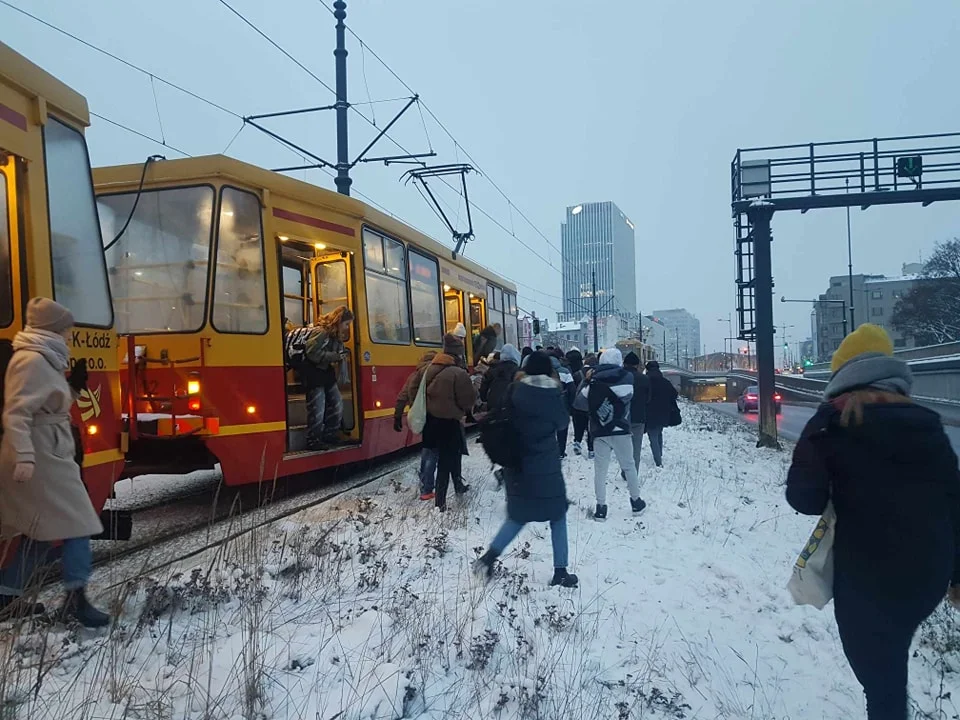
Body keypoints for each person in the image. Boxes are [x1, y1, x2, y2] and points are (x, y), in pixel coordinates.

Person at [786, 324, 960, 720]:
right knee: (889, 663)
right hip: (927, 573)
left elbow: (803, 498)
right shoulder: (929, 423)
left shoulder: (833, 424)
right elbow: (955, 500)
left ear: (841, 374)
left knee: (880, 682)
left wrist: (820, 432)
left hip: (867, 577)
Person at [0, 298, 109, 627]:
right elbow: (16, 414)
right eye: (66, 329)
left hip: (48, 451)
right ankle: (76, 600)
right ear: (52, 329)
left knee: (41, 530)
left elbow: (48, 407)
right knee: (80, 523)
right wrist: (25, 457)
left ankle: (6, 595)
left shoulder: (43, 358)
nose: (70, 336)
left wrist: (73, 388)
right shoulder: (31, 360)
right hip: (38, 455)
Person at [473, 351, 578, 588]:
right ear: (548, 370)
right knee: (558, 516)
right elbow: (562, 423)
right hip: (546, 467)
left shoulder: (514, 390)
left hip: (518, 464)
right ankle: (561, 572)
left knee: (518, 516)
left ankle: (488, 558)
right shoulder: (553, 393)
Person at [581, 348, 646, 521]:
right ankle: (636, 502)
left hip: (599, 431)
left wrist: (585, 381)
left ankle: (601, 508)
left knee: (600, 471)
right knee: (629, 466)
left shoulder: (593, 380)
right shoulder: (627, 379)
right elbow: (628, 397)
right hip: (621, 429)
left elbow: (579, 402)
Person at [284, 306, 355, 450]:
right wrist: (334, 356)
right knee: (318, 408)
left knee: (336, 403)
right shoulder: (321, 332)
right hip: (313, 373)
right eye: (346, 324)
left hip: (324, 372)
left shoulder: (334, 335)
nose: (347, 328)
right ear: (339, 321)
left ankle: (329, 435)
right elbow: (312, 353)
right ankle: (314, 440)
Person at [423, 333, 476, 511]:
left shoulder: (429, 369)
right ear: (458, 354)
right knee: (447, 461)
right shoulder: (458, 373)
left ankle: (450, 488)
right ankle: (440, 503)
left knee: (437, 457)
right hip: (449, 424)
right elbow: (467, 400)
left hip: (430, 423)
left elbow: (414, 389)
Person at [393, 350, 439, 500]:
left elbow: (402, 397)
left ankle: (424, 483)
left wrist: (397, 416)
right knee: (434, 452)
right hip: (435, 416)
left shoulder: (415, 374)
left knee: (427, 449)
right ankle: (428, 488)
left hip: (422, 418)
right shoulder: (435, 374)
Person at [643, 360, 678, 468]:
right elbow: (674, 394)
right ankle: (659, 454)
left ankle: (658, 461)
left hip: (649, 412)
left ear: (647, 369)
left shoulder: (646, 381)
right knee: (659, 433)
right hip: (664, 412)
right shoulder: (665, 381)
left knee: (652, 435)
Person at [623, 351, 651, 473]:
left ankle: (624, 470)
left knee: (623, 447)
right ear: (637, 365)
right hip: (639, 417)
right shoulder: (644, 378)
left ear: (624, 364)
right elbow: (649, 399)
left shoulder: (620, 377)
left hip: (622, 417)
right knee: (636, 448)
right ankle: (633, 473)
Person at [549, 348, 575, 457]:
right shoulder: (565, 371)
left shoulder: (542, 371)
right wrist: (571, 405)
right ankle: (561, 451)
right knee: (562, 428)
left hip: (547, 404)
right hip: (562, 403)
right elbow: (572, 389)